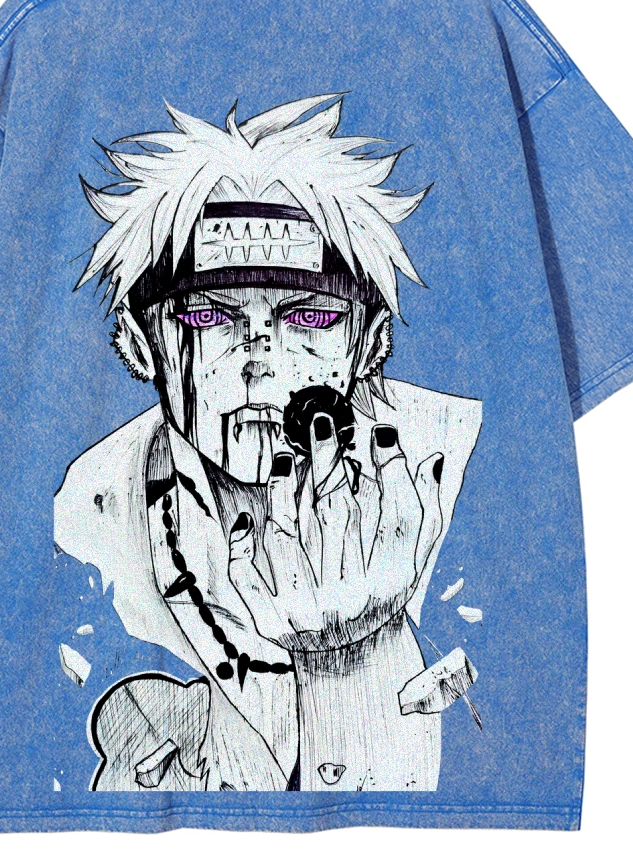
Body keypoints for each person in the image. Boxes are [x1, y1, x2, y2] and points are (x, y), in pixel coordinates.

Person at [55, 93, 482, 791]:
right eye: (207, 315)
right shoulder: (87, 513)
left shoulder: (462, 467)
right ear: (139, 344)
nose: (261, 360)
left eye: (307, 318)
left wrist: (354, 651)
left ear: (371, 342)